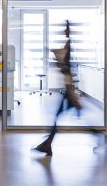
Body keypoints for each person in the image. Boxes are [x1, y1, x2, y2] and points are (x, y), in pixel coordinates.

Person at [33, 20, 82, 156]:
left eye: (65, 29)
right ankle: (48, 144)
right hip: (67, 85)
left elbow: (66, 66)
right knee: (61, 115)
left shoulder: (69, 43)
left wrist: (58, 62)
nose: (64, 31)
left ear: (69, 30)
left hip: (67, 85)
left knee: (60, 116)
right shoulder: (68, 43)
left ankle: (48, 145)